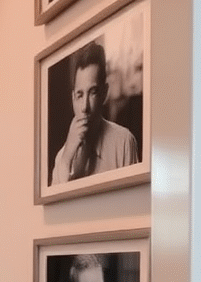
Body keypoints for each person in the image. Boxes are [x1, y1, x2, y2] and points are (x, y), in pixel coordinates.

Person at [50, 40, 138, 184]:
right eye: (79, 95)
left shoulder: (124, 141)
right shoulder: (62, 157)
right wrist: (66, 159)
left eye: (93, 93)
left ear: (104, 93)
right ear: (73, 99)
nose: (84, 107)